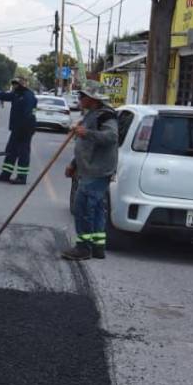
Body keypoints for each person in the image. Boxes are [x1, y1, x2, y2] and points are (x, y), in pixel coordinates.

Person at [62, 86, 119, 261]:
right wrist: (74, 164)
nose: (79, 98)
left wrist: (86, 132)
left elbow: (111, 137)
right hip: (87, 168)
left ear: (92, 99)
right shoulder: (91, 114)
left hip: (97, 170)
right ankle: (97, 247)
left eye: (82, 96)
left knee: (84, 208)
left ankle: (83, 248)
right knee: (94, 209)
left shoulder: (105, 116)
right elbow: (85, 146)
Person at [0, 78, 37, 185]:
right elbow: (2, 96)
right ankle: (5, 175)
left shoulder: (28, 96)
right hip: (16, 129)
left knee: (23, 153)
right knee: (11, 151)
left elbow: (28, 114)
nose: (14, 86)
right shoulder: (16, 94)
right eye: (13, 84)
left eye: (16, 84)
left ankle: (22, 177)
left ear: (22, 85)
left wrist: (23, 128)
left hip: (25, 129)